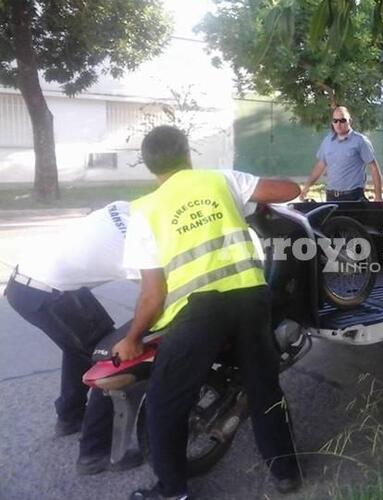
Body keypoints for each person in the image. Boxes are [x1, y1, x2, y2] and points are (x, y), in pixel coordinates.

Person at [113, 125, 301, 500]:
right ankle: (285, 472)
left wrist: (132, 338)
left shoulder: (145, 210)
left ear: (149, 166)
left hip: (199, 314)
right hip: (250, 297)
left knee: (166, 402)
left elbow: (152, 295)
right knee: (264, 387)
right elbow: (289, 191)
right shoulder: (220, 180)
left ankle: (172, 491)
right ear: (187, 154)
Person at [4, 201, 142, 474]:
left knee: (85, 347)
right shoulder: (141, 247)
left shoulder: (123, 207)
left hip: (38, 283)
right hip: (47, 293)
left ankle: (70, 416)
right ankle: (93, 454)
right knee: (112, 362)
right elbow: (154, 295)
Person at [299, 105, 383, 201]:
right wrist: (307, 187)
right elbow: (320, 166)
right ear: (332, 122)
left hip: (353, 196)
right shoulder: (327, 141)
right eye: (335, 121)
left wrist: (378, 196)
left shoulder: (360, 141)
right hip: (331, 196)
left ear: (350, 121)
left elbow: (373, 167)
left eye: (342, 120)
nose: (338, 124)